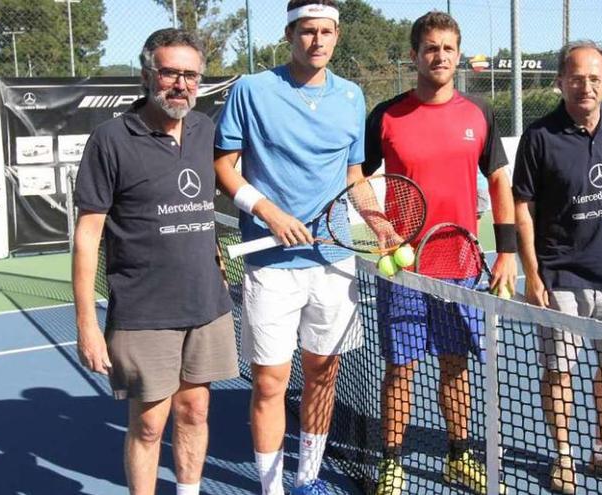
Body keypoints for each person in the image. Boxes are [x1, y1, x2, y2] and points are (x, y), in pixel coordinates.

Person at [72, 28, 238, 495]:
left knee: (196, 412)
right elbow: (88, 236)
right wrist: (87, 323)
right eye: (170, 72)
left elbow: (211, 205)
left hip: (207, 306)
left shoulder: (206, 130)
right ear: (148, 75)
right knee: (148, 426)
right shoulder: (111, 140)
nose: (181, 84)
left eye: (191, 75)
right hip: (143, 314)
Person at [213, 2, 365, 494]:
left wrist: (381, 223)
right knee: (270, 383)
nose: (316, 41)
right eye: (306, 31)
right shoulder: (251, 90)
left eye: (325, 32)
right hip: (269, 265)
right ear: (289, 34)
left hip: (333, 261)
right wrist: (271, 214)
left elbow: (354, 176)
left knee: (323, 377)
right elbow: (224, 169)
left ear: (337, 36)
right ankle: (271, 488)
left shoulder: (352, 96)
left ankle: (307, 479)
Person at [364, 11, 517, 495]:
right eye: (431, 47)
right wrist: (378, 222)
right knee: (400, 370)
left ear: (458, 53)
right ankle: (392, 463)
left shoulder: (479, 113)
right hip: (406, 269)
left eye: (448, 48)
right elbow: (355, 177)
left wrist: (507, 251)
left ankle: (458, 456)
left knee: (456, 366)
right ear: (414, 55)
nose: (440, 56)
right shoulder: (385, 116)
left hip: (464, 266)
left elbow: (498, 181)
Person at [512, 40, 602, 494]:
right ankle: (565, 458)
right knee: (560, 371)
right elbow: (523, 208)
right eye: (576, 77)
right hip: (561, 279)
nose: (585, 86)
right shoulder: (539, 136)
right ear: (560, 82)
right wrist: (532, 274)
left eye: (594, 78)